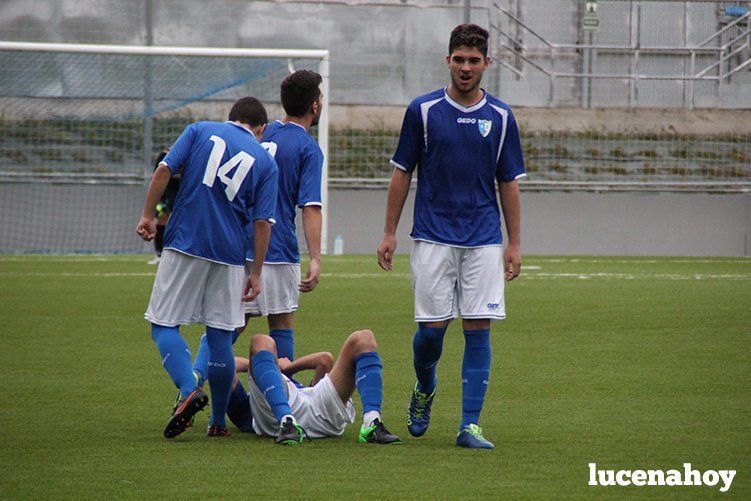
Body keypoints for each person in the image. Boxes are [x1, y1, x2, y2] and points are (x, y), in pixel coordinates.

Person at [376, 24, 526, 449]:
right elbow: (401, 172)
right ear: (448, 60)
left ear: (486, 64)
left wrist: (514, 242)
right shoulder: (423, 111)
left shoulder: (500, 117)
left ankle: (469, 425)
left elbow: (509, 182)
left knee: (479, 328)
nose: (465, 67)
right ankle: (424, 386)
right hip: (432, 236)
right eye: (459, 59)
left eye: (473, 60)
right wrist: (389, 232)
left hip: (482, 237)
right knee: (431, 332)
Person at [136, 97, 279, 438]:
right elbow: (263, 223)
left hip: (186, 242)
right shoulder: (265, 160)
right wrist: (256, 272)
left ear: (231, 117)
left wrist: (147, 215)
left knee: (163, 324)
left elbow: (164, 170)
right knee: (219, 337)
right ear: (259, 128)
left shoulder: (199, 130)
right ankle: (217, 421)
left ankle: (188, 390)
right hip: (229, 255)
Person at [241, 69, 325, 362]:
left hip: (238, 242)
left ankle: (195, 379)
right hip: (276, 246)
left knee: (230, 325)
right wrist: (315, 258)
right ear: (315, 106)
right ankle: (283, 395)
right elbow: (311, 207)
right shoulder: (308, 148)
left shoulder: (262, 131)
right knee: (281, 322)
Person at [247, 329, 402, 445]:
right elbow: (244, 362)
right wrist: (281, 368)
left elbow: (324, 359)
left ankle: (372, 423)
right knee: (260, 340)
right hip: (277, 413)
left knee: (364, 338)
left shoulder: (276, 376)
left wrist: (287, 369)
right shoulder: (268, 379)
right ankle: (286, 422)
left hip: (318, 410)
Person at [148, 149, 181, 265]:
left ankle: (178, 252)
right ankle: (159, 253)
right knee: (161, 220)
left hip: (181, 192)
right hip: (166, 193)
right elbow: (158, 173)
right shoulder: (164, 154)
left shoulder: (187, 154)